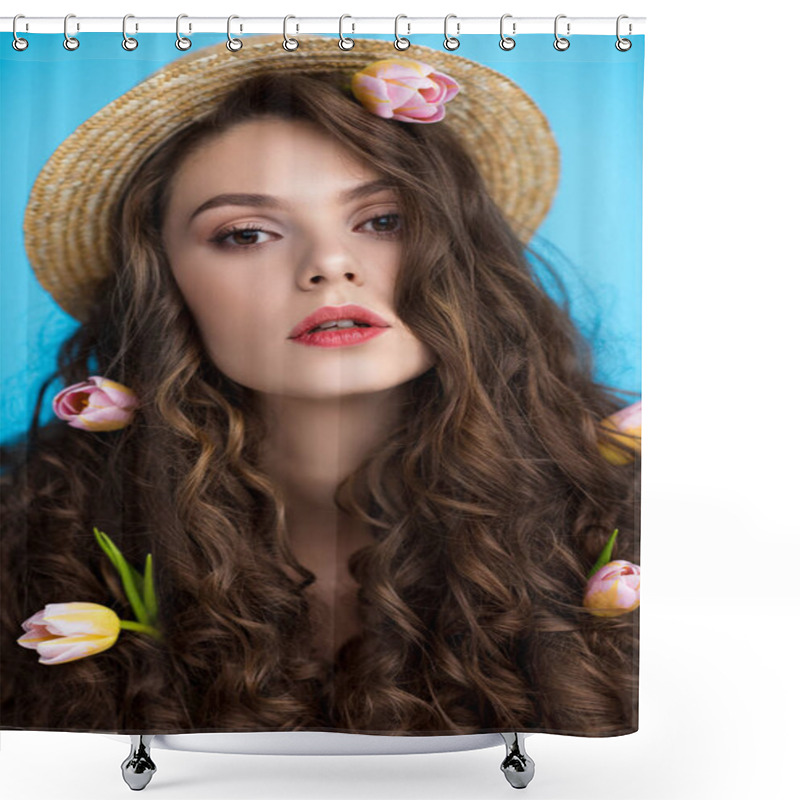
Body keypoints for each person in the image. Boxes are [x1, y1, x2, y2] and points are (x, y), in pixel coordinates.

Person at [0, 34, 640, 736]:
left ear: (458, 255)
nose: (330, 264)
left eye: (383, 220)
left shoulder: (639, 515)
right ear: (165, 287)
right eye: (245, 234)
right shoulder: (27, 529)